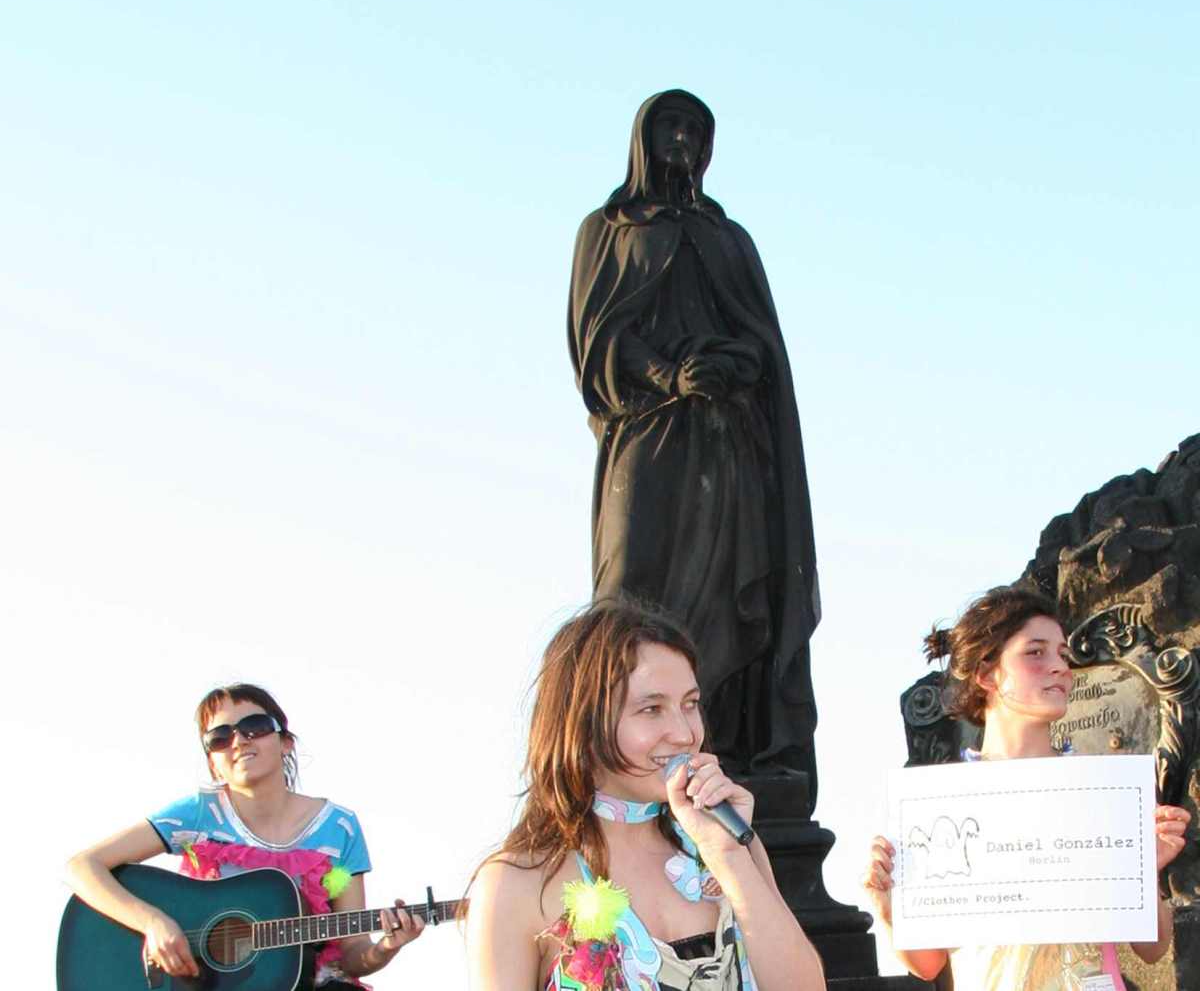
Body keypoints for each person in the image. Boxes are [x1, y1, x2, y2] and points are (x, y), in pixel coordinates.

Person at [567, 89, 819, 777]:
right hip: (648, 436)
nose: (681, 140)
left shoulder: (728, 238)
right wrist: (666, 373)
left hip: (729, 440)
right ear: (642, 139)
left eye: (694, 130)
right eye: (669, 126)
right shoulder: (609, 229)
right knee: (630, 587)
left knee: (731, 597)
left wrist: (733, 364)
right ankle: (616, 755)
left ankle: (721, 751)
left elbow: (763, 342)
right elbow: (596, 338)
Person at [465, 596, 826, 991]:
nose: (685, 734)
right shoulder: (514, 883)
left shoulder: (733, 845)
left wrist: (729, 857)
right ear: (583, 725)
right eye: (652, 709)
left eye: (690, 704)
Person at [862, 587, 1189, 990]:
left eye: (1063, 655)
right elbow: (928, 964)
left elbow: (1152, 948)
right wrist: (889, 909)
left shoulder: (1103, 793)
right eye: (1036, 652)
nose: (1060, 667)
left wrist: (1145, 870)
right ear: (986, 673)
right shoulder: (941, 805)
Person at [66, 683, 423, 988]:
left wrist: (386, 947)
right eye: (219, 738)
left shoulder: (339, 827)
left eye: (254, 727)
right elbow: (81, 866)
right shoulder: (198, 814)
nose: (237, 740)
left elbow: (352, 953)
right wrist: (153, 923)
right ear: (212, 762)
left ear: (286, 743)